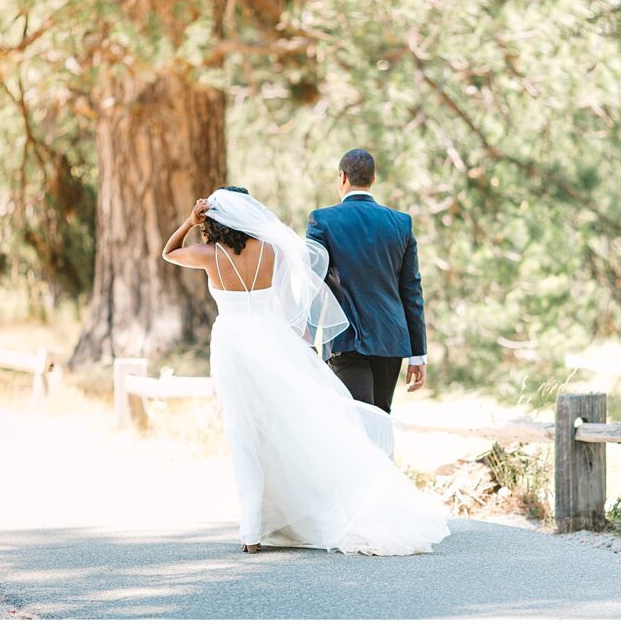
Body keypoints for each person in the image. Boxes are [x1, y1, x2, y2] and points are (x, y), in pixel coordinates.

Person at [161, 186, 449, 556]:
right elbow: (296, 295)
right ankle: (296, 512)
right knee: (287, 428)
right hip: (272, 341)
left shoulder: (208, 256)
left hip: (234, 346)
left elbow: (168, 252)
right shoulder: (273, 251)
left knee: (244, 434)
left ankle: (252, 532)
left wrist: (189, 220)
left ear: (213, 219)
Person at [306, 148, 426, 415]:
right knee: (380, 417)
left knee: (357, 421)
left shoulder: (322, 220)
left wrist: (306, 335)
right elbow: (411, 291)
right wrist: (418, 353)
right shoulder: (401, 223)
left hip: (345, 339)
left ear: (343, 177)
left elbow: (312, 282)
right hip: (390, 339)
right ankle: (382, 458)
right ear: (373, 179)